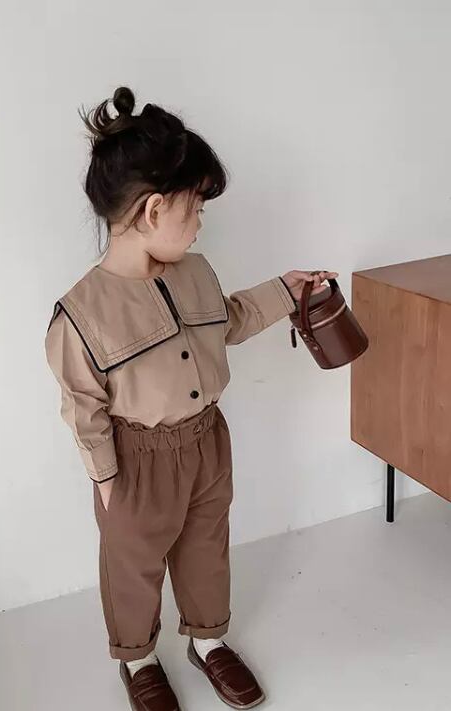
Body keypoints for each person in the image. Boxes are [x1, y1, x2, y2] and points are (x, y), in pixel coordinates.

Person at [45, 86, 336, 711]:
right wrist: (107, 480)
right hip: (136, 461)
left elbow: (228, 320)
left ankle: (208, 640)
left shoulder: (196, 271)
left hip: (207, 441)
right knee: (133, 565)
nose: (200, 222)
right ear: (154, 210)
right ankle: (139, 659)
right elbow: (83, 407)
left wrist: (286, 290)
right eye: (196, 207)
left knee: (207, 545)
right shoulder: (80, 315)